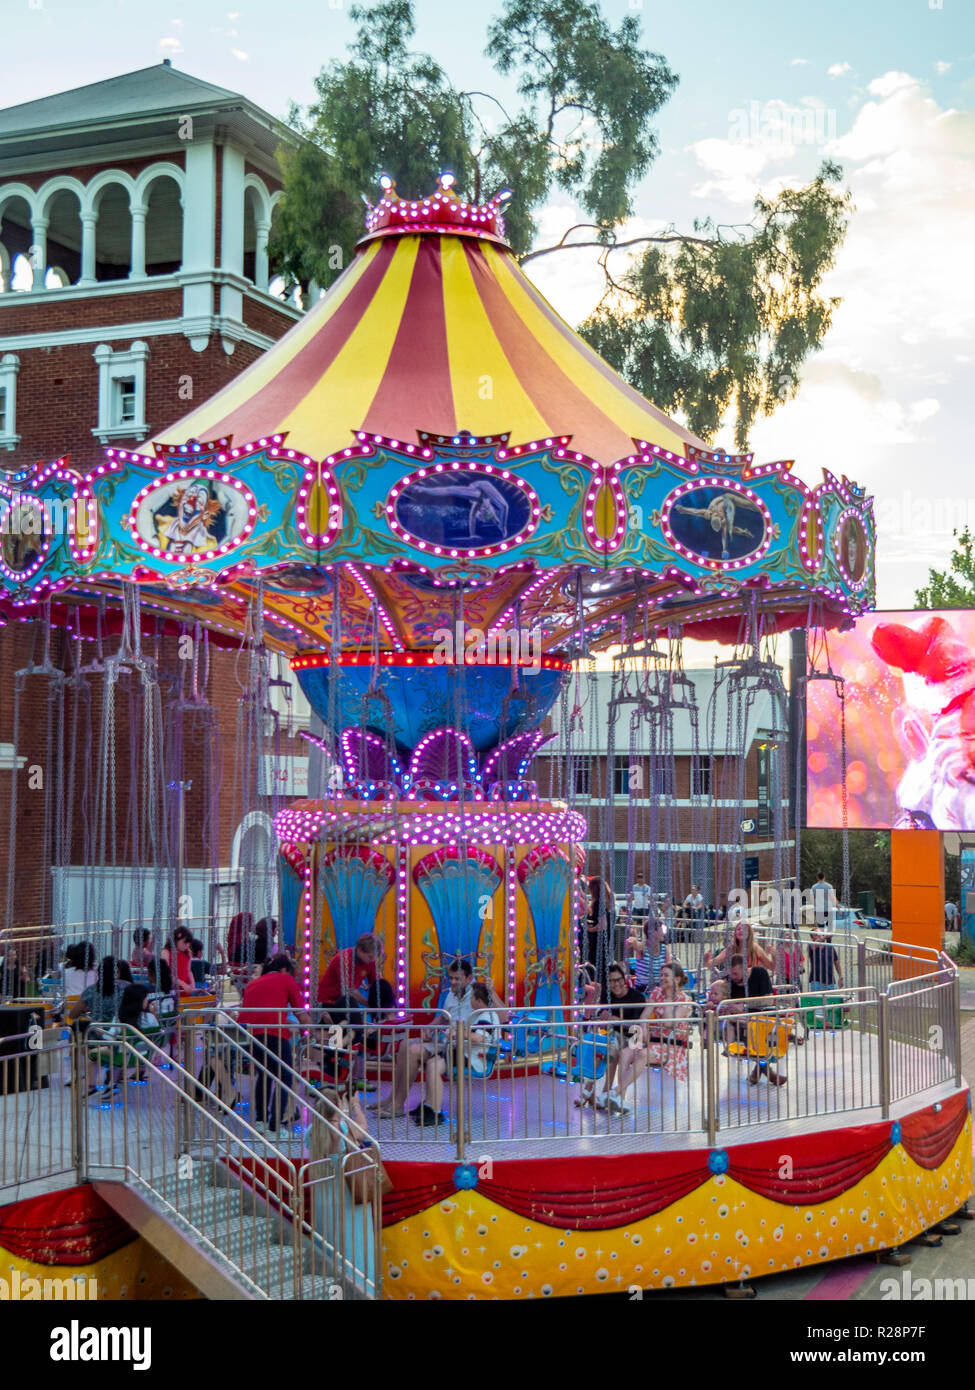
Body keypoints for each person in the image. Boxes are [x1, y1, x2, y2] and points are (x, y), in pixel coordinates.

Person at [374, 958, 483, 1123]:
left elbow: (500, 1016)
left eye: (457, 978)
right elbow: (444, 1018)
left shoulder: (478, 995)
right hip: (447, 1042)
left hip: (462, 1046)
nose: (453, 982)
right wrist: (429, 1027)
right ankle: (392, 1098)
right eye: (451, 978)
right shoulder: (452, 995)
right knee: (405, 1044)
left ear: (468, 979)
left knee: (413, 1050)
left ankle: (397, 1105)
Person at [239, 954, 311, 1133]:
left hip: (250, 1035)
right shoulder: (286, 979)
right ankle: (275, 1125)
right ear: (285, 969)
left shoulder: (254, 983)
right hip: (274, 1034)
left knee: (264, 1074)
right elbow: (301, 1013)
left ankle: (261, 1121)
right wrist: (311, 1033)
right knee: (285, 1077)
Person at [606, 962, 693, 1112]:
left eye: (666, 975)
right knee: (625, 1053)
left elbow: (668, 1023)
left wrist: (668, 1001)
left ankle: (615, 1091)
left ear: (677, 980)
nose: (662, 978)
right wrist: (643, 1028)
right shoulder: (656, 993)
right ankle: (619, 1100)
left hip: (672, 1045)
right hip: (652, 1041)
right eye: (661, 975)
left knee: (642, 1054)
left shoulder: (685, 1001)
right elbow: (644, 1015)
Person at [578, 962, 646, 1109]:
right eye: (611, 981)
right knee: (602, 1048)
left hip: (635, 1036)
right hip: (615, 1036)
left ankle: (601, 1092)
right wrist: (602, 1015)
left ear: (624, 979)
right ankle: (591, 1089)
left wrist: (617, 1020)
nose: (616, 984)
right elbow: (599, 1013)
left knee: (613, 1048)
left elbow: (636, 1025)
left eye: (618, 980)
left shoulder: (636, 997)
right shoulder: (607, 996)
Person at [317, 934, 393, 1018]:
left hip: (345, 1000)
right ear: (360, 949)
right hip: (328, 1000)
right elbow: (350, 990)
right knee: (352, 1009)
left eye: (375, 957)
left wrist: (383, 1002)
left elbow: (376, 984)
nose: (373, 960)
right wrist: (370, 1005)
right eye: (370, 956)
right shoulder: (343, 960)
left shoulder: (370, 962)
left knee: (384, 985)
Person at [69, 956, 133, 1024]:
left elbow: (73, 1015)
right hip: (119, 1031)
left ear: (99, 972)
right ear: (117, 973)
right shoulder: (125, 990)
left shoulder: (90, 991)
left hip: (96, 1030)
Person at [704, 920, 772, 973]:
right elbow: (711, 964)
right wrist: (707, 960)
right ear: (735, 934)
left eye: (744, 929)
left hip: (752, 984)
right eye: (738, 929)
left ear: (749, 933)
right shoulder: (731, 949)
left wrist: (774, 955)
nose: (741, 930)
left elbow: (771, 966)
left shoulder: (756, 949)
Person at [627, 916, 668, 994]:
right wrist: (632, 941)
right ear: (654, 932)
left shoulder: (665, 949)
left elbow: (669, 968)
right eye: (662, 929)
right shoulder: (643, 947)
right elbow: (636, 945)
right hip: (643, 988)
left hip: (660, 988)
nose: (664, 931)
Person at [162, 926, 196, 994]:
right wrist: (182, 984)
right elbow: (167, 974)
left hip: (185, 990)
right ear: (176, 940)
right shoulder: (166, 953)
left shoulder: (187, 953)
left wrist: (192, 984)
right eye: (185, 943)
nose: (187, 945)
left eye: (189, 943)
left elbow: (189, 971)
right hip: (172, 990)